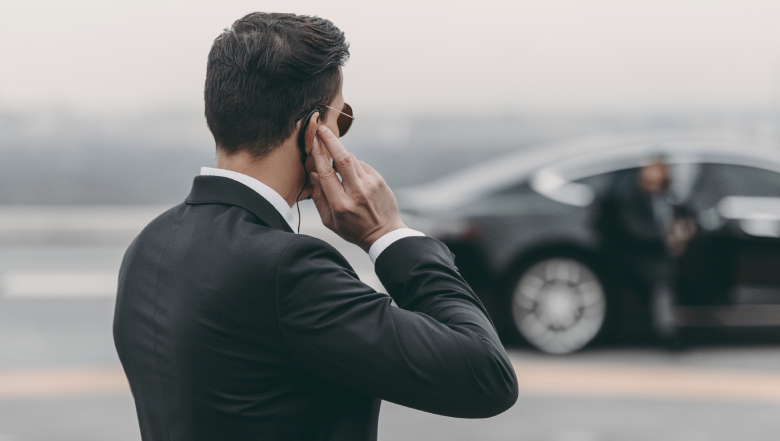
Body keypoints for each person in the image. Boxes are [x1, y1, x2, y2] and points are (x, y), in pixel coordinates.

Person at [112, 12, 517, 441]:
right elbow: (485, 377)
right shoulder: (287, 269)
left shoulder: (149, 246)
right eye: (342, 120)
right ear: (314, 129)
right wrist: (388, 235)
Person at [595, 156, 695, 344]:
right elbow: (634, 230)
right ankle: (667, 331)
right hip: (639, 256)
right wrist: (668, 238)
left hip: (667, 254)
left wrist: (684, 230)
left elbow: (687, 218)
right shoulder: (629, 196)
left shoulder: (669, 196)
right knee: (662, 278)